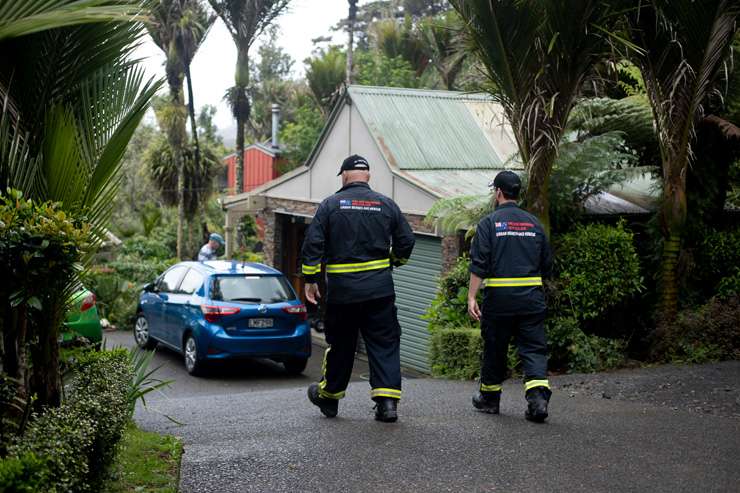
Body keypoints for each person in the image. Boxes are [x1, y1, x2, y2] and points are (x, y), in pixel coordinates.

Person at [302, 154, 415, 423]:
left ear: (344, 175)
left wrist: (310, 280)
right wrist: (393, 261)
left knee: (341, 344)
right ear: (368, 176)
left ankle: (329, 398)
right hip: (380, 291)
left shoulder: (330, 205)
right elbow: (406, 241)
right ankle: (387, 404)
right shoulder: (387, 205)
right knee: (384, 343)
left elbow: (313, 244)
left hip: (343, 293)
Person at [467, 170, 553, 422]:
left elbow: (479, 263)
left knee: (495, 347)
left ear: (498, 193)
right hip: (531, 299)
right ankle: (537, 401)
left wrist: (472, 297)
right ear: (517, 193)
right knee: (534, 349)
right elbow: (547, 265)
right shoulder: (535, 224)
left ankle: (489, 400)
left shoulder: (488, 223)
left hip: (499, 301)